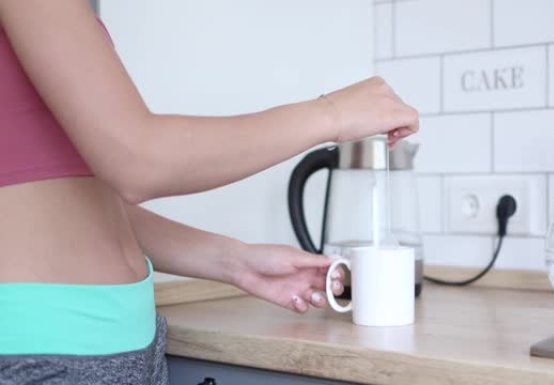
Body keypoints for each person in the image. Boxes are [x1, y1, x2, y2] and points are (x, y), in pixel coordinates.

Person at [0, 1, 419, 384]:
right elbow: (138, 160)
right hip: (44, 349)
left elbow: (69, 199)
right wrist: (333, 114)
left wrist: (234, 261)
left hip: (123, 343)